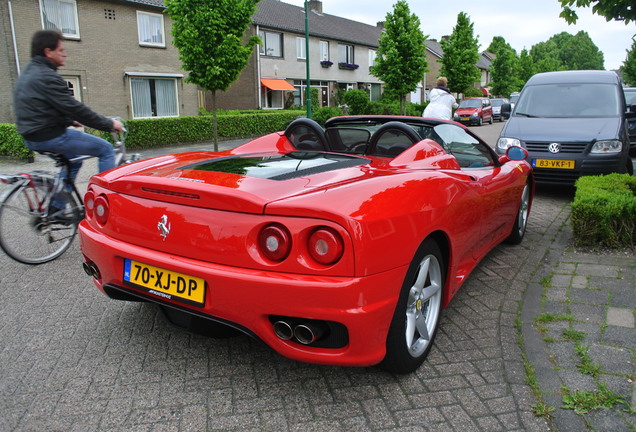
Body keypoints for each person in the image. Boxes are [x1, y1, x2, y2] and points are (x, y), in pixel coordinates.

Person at [13, 29, 124, 216]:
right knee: (105, 149)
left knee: (73, 160)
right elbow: (76, 108)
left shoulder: (28, 73)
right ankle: (106, 205)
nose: (65, 54)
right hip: (50, 136)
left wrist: (68, 119)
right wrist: (109, 124)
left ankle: (56, 208)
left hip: (31, 136)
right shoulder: (48, 76)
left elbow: (42, 108)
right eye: (61, 50)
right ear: (48, 52)